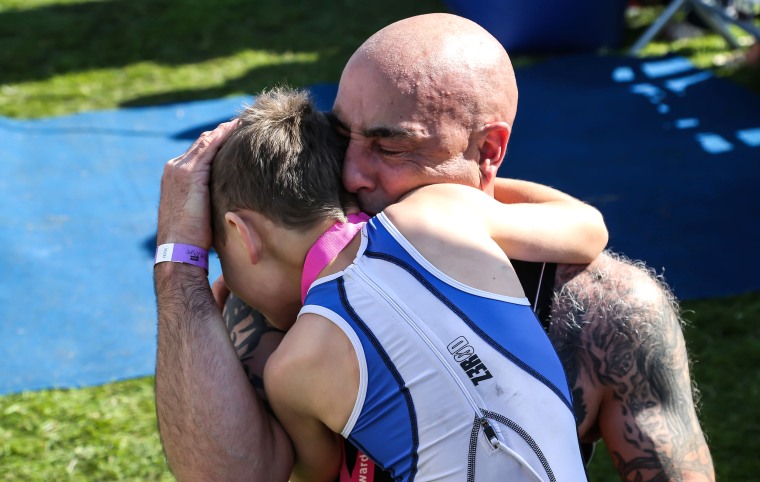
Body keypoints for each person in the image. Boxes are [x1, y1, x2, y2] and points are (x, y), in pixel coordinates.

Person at [154, 13, 715, 482]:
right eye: (344, 135)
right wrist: (179, 279)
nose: (350, 174)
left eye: (389, 147)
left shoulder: (603, 311)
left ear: (488, 151)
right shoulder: (266, 298)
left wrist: (181, 254)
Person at [205, 86, 604, 481]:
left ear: (242, 233)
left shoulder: (291, 368)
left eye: (219, 256)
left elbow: (317, 474)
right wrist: (454, 193)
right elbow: (590, 229)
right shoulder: (439, 212)